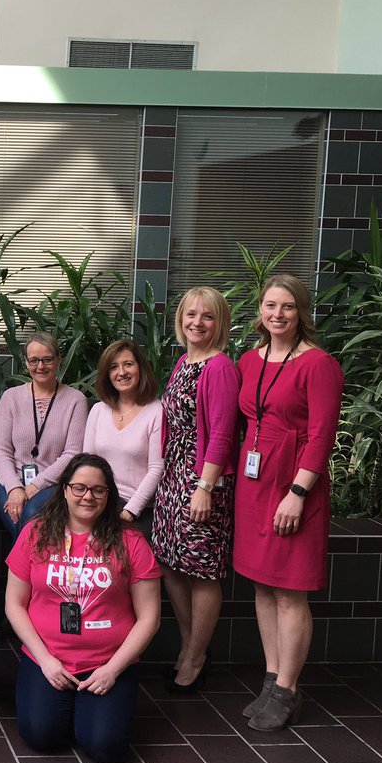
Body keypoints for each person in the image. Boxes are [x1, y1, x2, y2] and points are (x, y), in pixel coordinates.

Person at [234, 275, 343, 731]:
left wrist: (298, 494)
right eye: (270, 305)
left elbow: (322, 436)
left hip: (294, 482)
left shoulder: (319, 365)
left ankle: (288, 689)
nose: (277, 314)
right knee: (262, 586)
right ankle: (271, 678)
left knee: (289, 591)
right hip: (254, 481)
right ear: (260, 309)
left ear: (302, 312)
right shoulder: (248, 359)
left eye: (288, 307)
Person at [5, 454, 161, 763]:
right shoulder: (35, 533)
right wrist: (46, 660)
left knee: (106, 748)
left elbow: (150, 617)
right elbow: (14, 604)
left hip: (107, 663)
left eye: (98, 490)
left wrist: (113, 669)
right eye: (79, 488)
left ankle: (89, 711)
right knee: (42, 736)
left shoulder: (130, 540)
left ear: (109, 495)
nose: (88, 496)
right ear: (63, 489)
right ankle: (70, 707)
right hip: (48, 658)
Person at [150, 287, 240, 693]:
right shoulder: (185, 361)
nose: (197, 322)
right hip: (173, 477)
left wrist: (204, 486)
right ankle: (190, 645)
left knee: (202, 571)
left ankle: (197, 656)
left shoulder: (219, 367)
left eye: (207, 316)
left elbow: (222, 432)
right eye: (190, 314)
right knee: (170, 564)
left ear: (219, 322)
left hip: (202, 478)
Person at [0, 332, 88, 539]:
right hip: (11, 480)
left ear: (58, 361)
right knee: (18, 516)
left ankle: (19, 570)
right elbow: (1, 450)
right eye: (34, 360)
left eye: (47, 359)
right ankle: (33, 567)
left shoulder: (75, 400)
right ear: (26, 363)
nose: (41, 366)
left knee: (31, 515)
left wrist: (36, 485)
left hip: (54, 483)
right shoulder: (11, 398)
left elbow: (72, 453)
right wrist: (15, 488)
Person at [83, 339, 164, 540]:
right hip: (99, 502)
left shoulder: (156, 411)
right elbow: (87, 462)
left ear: (140, 368)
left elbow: (156, 468)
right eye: (114, 367)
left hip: (138, 507)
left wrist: (129, 511)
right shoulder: (98, 410)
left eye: (128, 364)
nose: (122, 372)